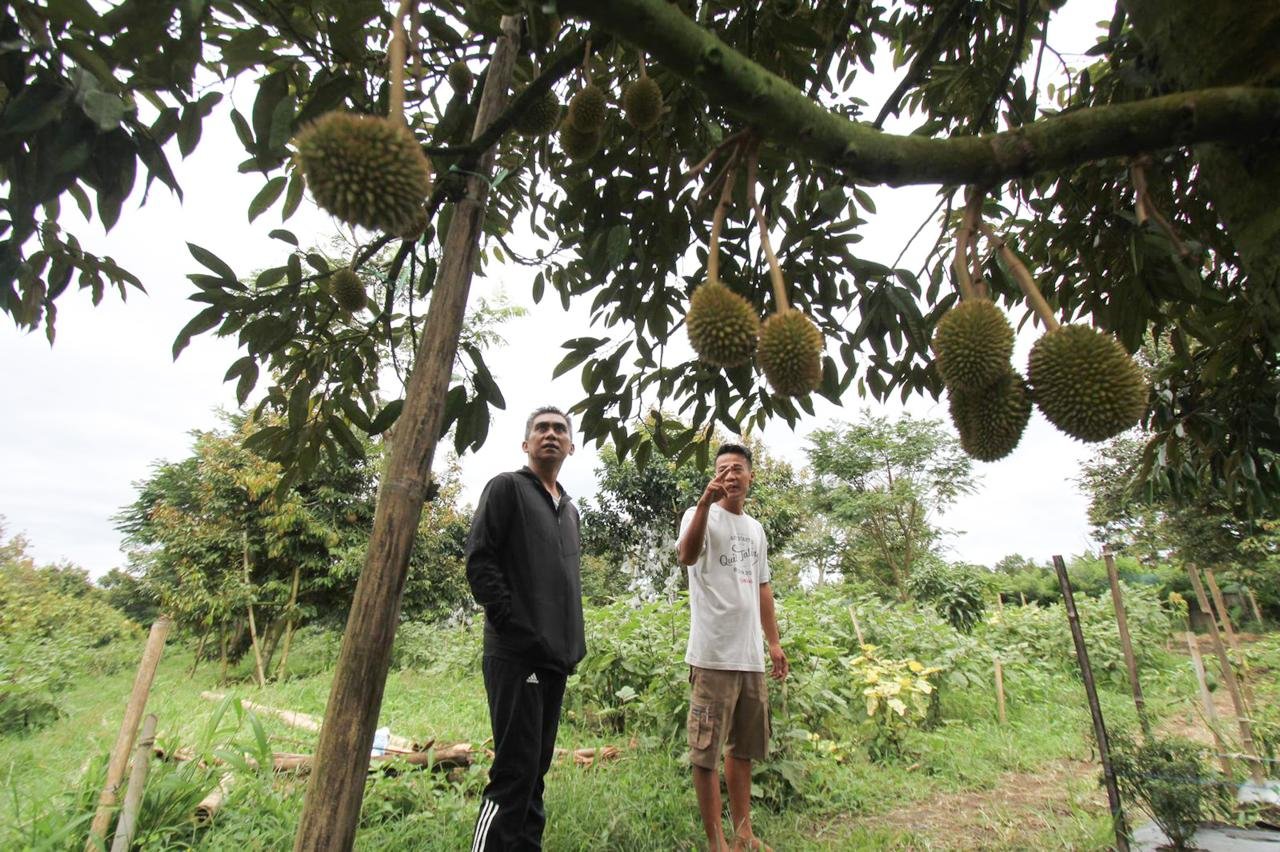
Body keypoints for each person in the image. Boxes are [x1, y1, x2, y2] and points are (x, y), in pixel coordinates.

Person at [466, 406, 585, 851]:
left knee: (536, 771)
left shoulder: (569, 510)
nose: (551, 434)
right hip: (516, 656)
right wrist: (515, 628)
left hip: (555, 659)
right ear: (526, 443)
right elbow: (480, 561)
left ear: (571, 446)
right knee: (514, 770)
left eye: (560, 429)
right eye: (541, 428)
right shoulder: (507, 488)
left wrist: (570, 647)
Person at [676, 442, 789, 852]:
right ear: (715, 476)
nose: (730, 474)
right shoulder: (700, 515)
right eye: (722, 468)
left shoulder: (755, 529)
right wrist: (704, 504)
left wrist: (773, 643)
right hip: (713, 655)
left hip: (750, 657)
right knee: (705, 753)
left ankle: (744, 833)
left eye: (738, 467)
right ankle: (717, 843)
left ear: (750, 476)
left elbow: (763, 587)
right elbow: (687, 556)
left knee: (742, 750)